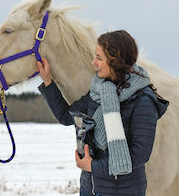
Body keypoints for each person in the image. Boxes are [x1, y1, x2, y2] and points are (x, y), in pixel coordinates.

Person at [37, 30, 169, 196]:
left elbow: (139, 154)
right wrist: (48, 82)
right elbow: (66, 116)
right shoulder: (97, 92)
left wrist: (93, 166)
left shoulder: (143, 100)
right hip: (90, 188)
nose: (94, 63)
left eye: (99, 58)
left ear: (116, 61)